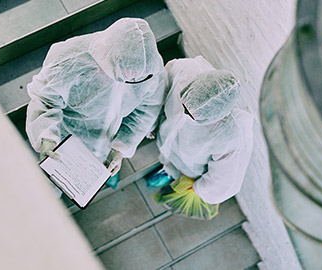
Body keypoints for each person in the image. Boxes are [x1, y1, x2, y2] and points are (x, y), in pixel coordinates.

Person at [26, 18, 166, 189]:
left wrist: (120, 148)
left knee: (95, 172)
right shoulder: (70, 59)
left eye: (136, 79)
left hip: (108, 139)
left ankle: (102, 173)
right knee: (60, 182)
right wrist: (47, 136)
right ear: (107, 57)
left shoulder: (149, 69)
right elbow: (45, 99)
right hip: (66, 136)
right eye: (124, 76)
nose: (131, 80)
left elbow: (146, 111)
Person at [149, 56, 254, 220]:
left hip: (190, 166)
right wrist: (152, 122)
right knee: (167, 152)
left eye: (194, 116)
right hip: (168, 136)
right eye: (185, 106)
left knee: (180, 169)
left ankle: (171, 174)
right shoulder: (185, 69)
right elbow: (160, 87)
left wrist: (197, 189)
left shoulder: (232, 137)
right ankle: (166, 168)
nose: (186, 115)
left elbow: (224, 181)